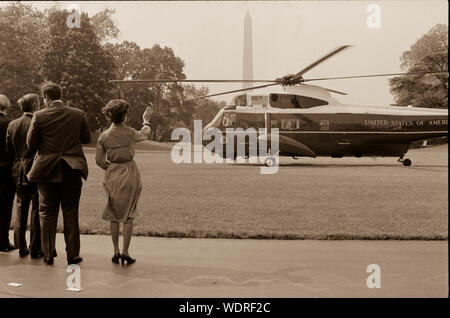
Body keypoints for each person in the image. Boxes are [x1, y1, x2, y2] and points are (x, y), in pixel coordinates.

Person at [27, 82, 91, 265]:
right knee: (71, 211)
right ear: (60, 95)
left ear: (46, 97)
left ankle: (48, 253)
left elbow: (31, 143)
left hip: (47, 169)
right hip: (72, 168)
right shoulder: (78, 114)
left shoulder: (39, 116)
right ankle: (73, 254)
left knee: (47, 212)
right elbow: (86, 138)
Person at [95, 99, 152, 266]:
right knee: (129, 215)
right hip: (130, 173)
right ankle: (126, 251)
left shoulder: (104, 136)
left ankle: (115, 251)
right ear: (124, 116)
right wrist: (146, 120)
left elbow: (99, 161)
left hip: (112, 175)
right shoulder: (129, 133)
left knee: (113, 215)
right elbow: (145, 133)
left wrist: (113, 169)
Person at [6, 94, 43, 258]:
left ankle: (21, 246)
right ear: (35, 104)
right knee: (36, 208)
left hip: (17, 168)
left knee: (20, 207)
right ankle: (35, 248)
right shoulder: (38, 123)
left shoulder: (13, 124)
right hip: (34, 168)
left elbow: (9, 150)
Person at [0, 94, 16, 252]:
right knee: (4, 207)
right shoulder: (9, 125)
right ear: (6, 107)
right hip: (5, 171)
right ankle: (2, 241)